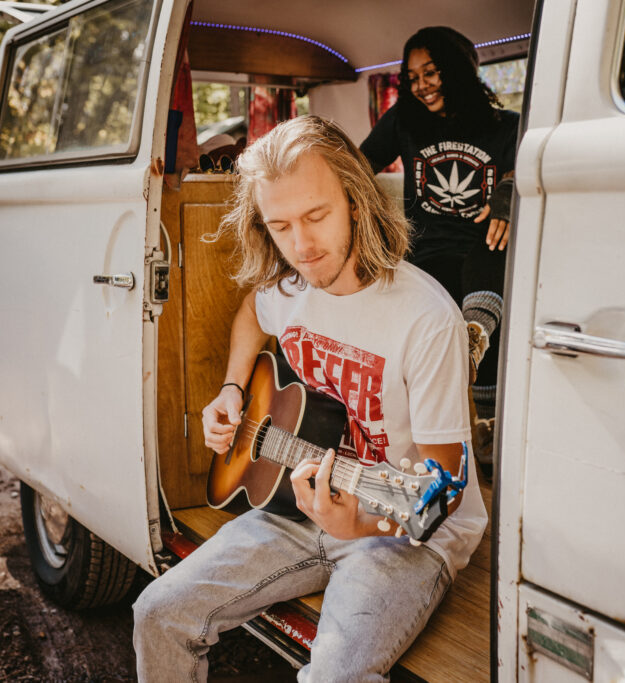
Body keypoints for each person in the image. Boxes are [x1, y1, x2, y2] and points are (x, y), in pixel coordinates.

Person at [132, 115, 486, 682]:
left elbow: (440, 490)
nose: (301, 246)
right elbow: (253, 309)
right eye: (280, 226)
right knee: (157, 612)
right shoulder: (290, 288)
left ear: (355, 198)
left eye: (317, 216)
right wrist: (230, 390)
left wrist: (360, 527)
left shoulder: (425, 318)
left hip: (400, 532)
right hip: (294, 507)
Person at [360, 26, 520, 424]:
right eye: (412, 77)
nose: (422, 86)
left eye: (431, 73)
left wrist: (509, 189)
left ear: (458, 70)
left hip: (484, 249)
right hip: (425, 252)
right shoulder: (404, 121)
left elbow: (536, 167)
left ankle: (477, 366)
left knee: (493, 259)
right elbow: (358, 167)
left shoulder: (507, 126)